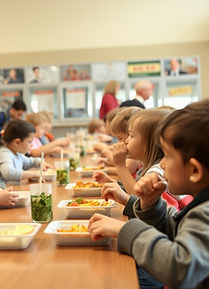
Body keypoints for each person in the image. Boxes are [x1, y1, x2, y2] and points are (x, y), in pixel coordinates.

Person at [88, 100, 209, 289]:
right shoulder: (201, 208)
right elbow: (174, 226)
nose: (161, 164)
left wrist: (125, 231)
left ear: (195, 171)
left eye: (167, 156)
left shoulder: (205, 215)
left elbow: (180, 269)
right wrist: (151, 204)